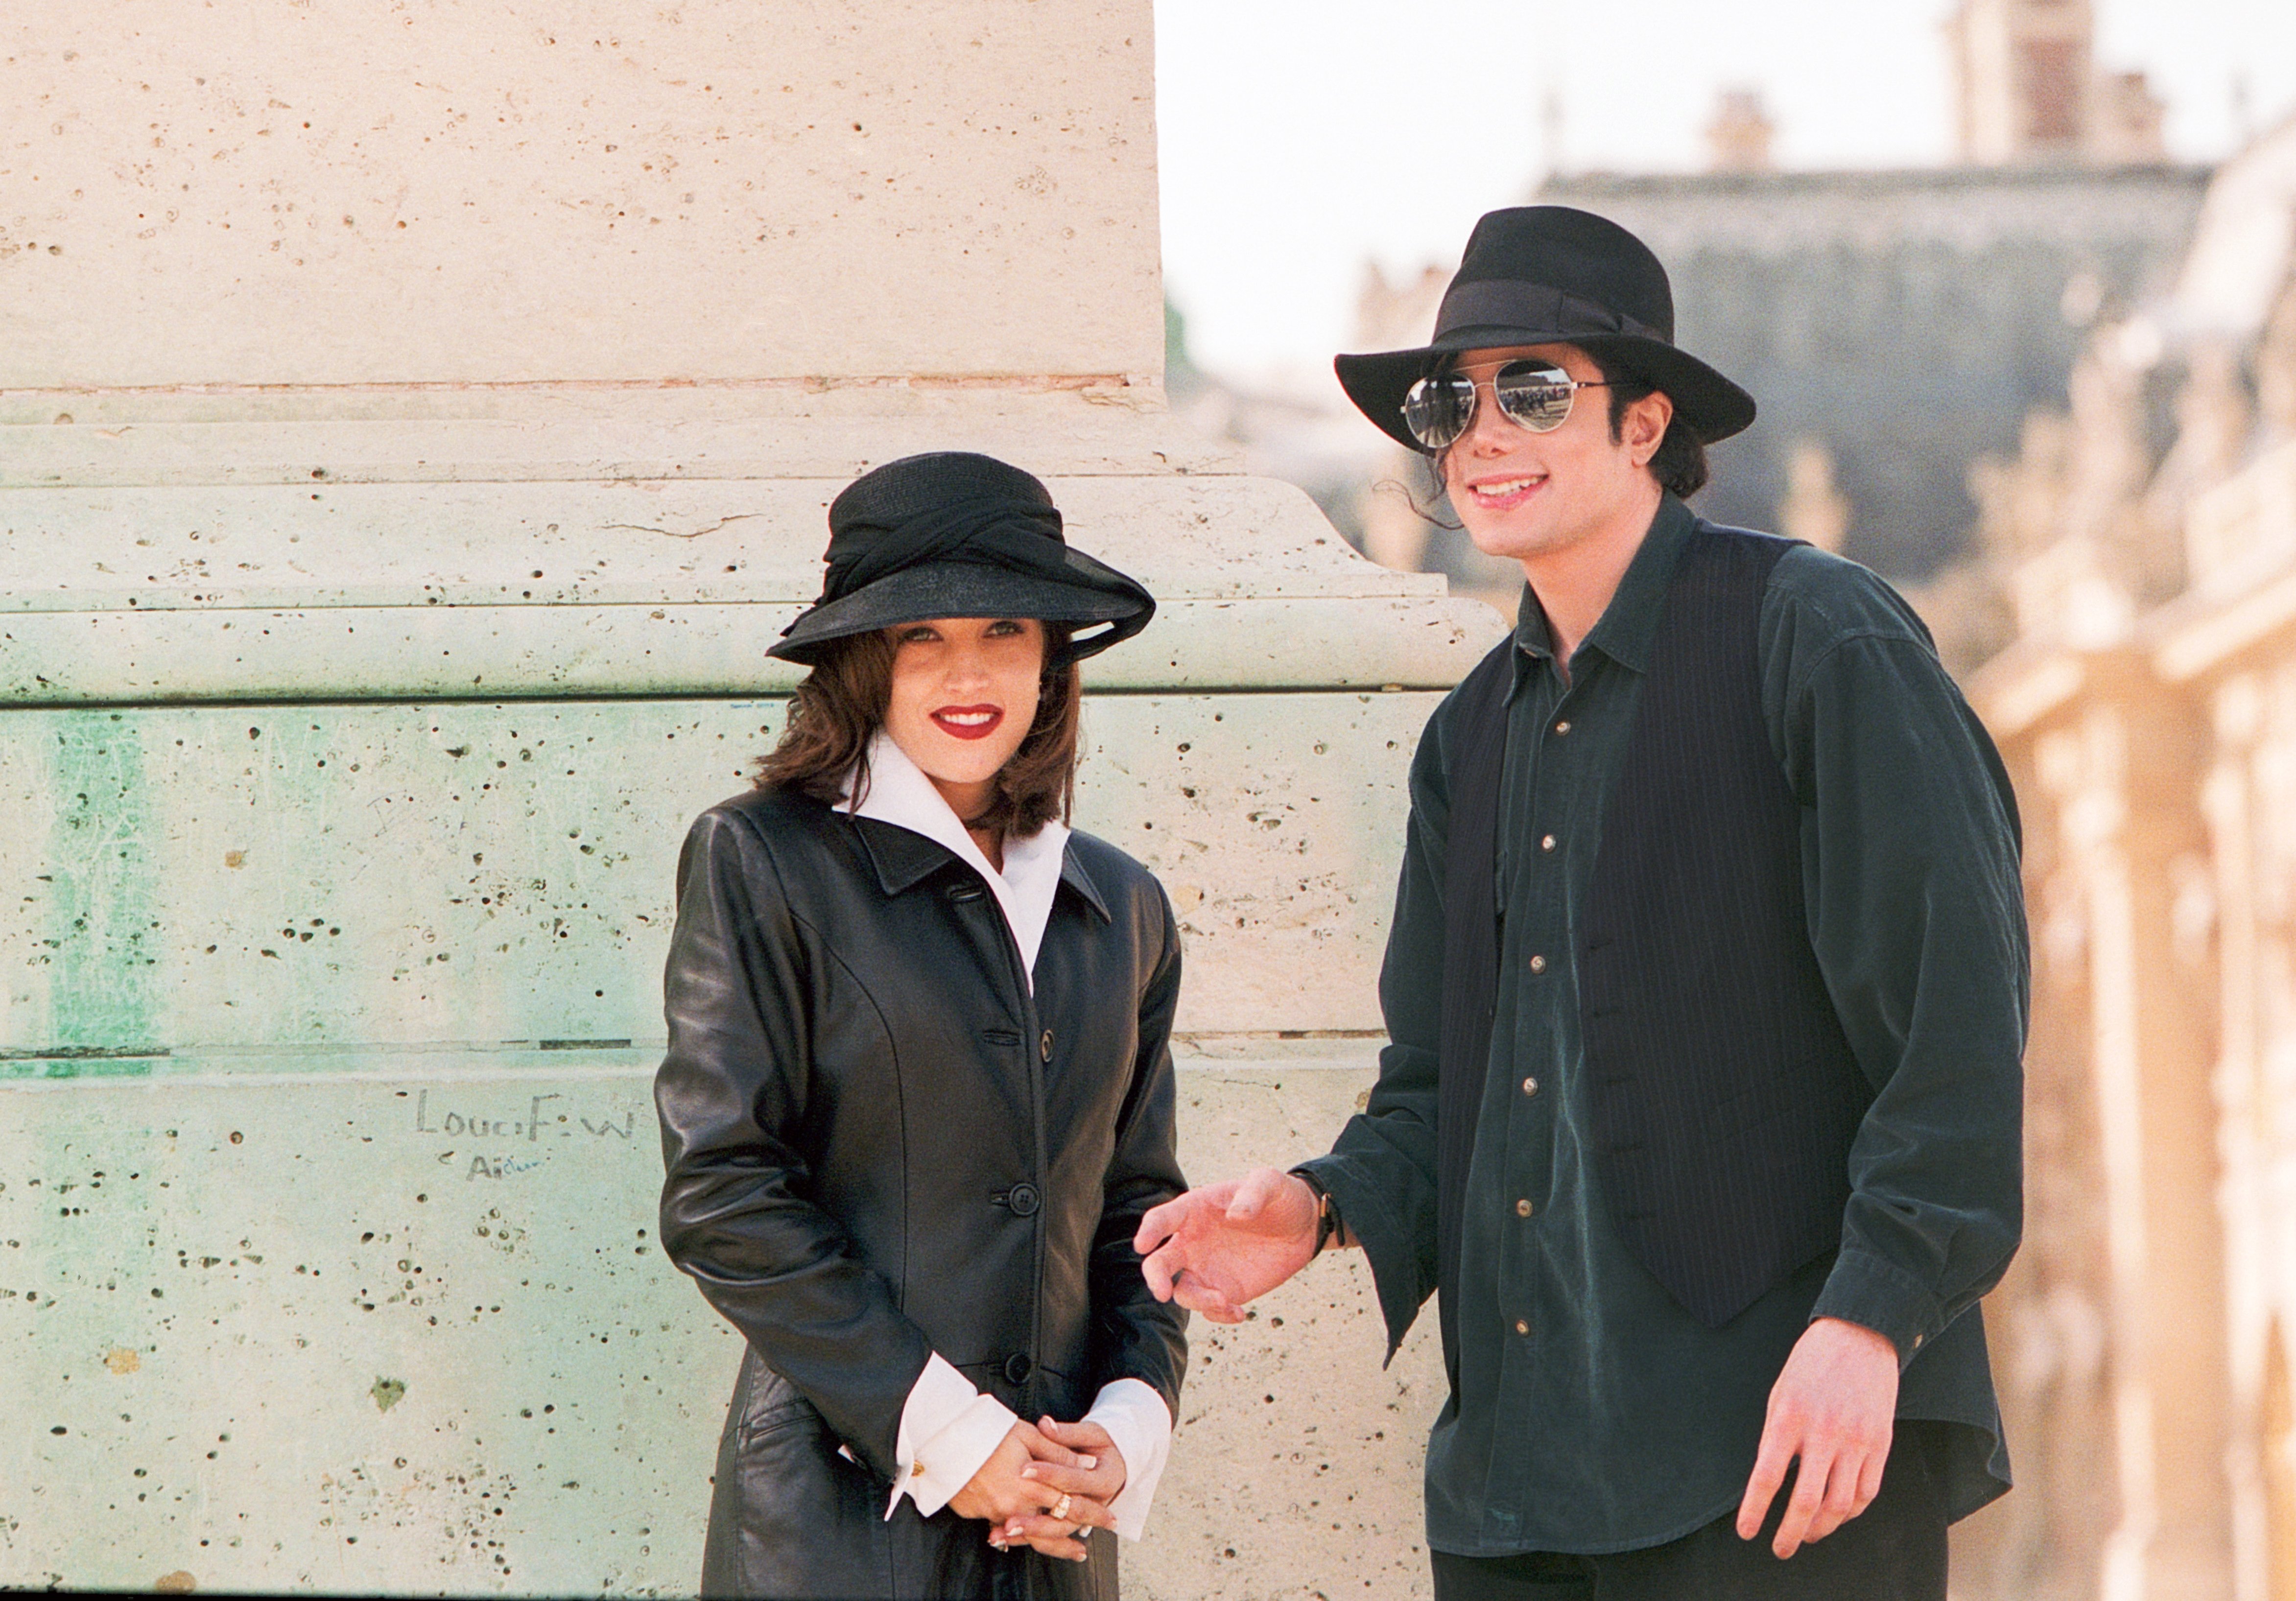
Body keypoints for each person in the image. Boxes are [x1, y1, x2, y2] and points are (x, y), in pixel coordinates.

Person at [1133, 207, 2026, 1601]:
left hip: (1781, 1458)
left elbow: (1958, 1034)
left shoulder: (1816, 635)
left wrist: (1873, 1319)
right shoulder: (1471, 737)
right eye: (1451, 402)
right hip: (1521, 1490)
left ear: (1646, 423)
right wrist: (1323, 1204)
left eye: (1534, 390)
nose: (1481, 434)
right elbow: (1444, 1085)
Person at [656, 450, 1189, 1600]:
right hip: (836, 1527)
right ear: (862, 661)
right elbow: (722, 1192)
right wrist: (958, 1437)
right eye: (920, 636)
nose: (969, 672)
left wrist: (1127, 1423)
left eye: (1004, 629)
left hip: (1052, 1528)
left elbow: (1138, 1213)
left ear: (1051, 657)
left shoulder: (1122, 904)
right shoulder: (762, 859)